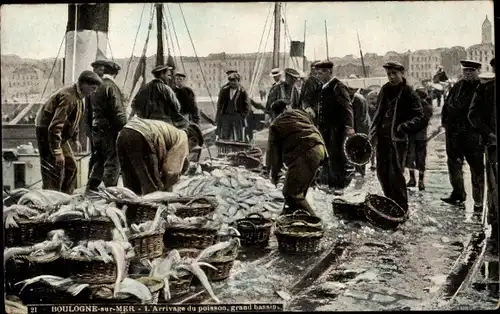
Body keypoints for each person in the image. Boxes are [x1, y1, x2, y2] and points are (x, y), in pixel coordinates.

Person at [368, 61, 424, 212]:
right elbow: (378, 113)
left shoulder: (408, 92)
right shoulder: (385, 89)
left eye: (394, 73)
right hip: (382, 138)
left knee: (396, 175)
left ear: (402, 73)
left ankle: (401, 207)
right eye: (388, 74)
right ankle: (390, 202)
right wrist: (373, 132)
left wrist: (403, 127)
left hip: (398, 140)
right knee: (382, 173)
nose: (391, 77)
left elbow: (419, 116)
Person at [35, 70, 102, 194]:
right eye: (92, 88)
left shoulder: (78, 97)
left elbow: (73, 121)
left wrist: (75, 139)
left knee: (71, 167)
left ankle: (66, 197)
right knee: (54, 169)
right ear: (83, 84)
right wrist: (57, 152)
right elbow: (54, 127)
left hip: (59, 135)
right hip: (47, 132)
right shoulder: (68, 97)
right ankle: (51, 200)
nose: (94, 91)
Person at [266, 99, 328, 216]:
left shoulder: (275, 125)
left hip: (306, 153)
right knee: (299, 190)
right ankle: (296, 217)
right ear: (287, 107)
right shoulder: (300, 114)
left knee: (291, 194)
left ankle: (315, 223)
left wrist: (274, 176)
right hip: (320, 149)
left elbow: (274, 155)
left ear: (274, 113)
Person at [116, 117, 204, 195]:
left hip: (125, 132)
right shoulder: (183, 138)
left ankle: (131, 212)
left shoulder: (174, 133)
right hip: (143, 136)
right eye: (193, 147)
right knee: (152, 186)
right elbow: (171, 171)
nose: (190, 150)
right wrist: (166, 191)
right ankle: (152, 212)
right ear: (193, 140)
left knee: (131, 184)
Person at [441, 60, 484, 210]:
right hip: (454, 134)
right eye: (465, 70)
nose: (468, 73)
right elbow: (447, 104)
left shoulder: (482, 87)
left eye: (471, 70)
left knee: (476, 167)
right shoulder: (458, 86)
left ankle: (478, 201)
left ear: (478, 71)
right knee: (453, 164)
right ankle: (458, 194)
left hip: (472, 134)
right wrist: (445, 123)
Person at [468, 57, 497, 253]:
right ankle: (495, 230)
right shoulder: (485, 90)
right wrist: (489, 133)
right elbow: (474, 115)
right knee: (495, 189)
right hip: (494, 145)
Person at [86, 61, 127, 192]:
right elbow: (118, 111)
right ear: (115, 73)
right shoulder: (111, 87)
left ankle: (91, 188)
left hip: (97, 129)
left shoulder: (95, 87)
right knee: (113, 161)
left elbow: (88, 111)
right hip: (111, 131)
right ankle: (110, 192)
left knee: (99, 160)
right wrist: (124, 128)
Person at [316, 60, 355, 193]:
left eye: (321, 73)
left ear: (329, 72)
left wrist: (349, 127)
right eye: (318, 73)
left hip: (336, 128)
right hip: (327, 128)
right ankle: (331, 184)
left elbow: (347, 107)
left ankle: (339, 186)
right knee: (328, 155)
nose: (318, 76)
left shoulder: (337, 86)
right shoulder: (325, 86)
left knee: (336, 156)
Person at [405, 87, 433, 191]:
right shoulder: (428, 108)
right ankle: (421, 181)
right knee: (421, 158)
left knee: (410, 157)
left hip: (412, 136)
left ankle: (412, 180)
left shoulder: (413, 107)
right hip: (422, 137)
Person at [85, 59, 108, 180]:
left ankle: (94, 179)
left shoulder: (103, 85)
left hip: (100, 127)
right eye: (100, 70)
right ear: (94, 70)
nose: (102, 73)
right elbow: (87, 109)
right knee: (96, 155)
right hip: (95, 127)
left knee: (99, 155)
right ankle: (91, 179)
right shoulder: (92, 86)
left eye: (103, 70)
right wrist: (88, 127)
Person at [215, 73, 250, 142]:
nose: (233, 82)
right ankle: (225, 151)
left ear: (238, 81)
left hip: (237, 117)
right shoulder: (224, 91)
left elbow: (247, 106)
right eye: (231, 81)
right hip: (226, 117)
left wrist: (242, 116)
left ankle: (238, 151)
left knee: (238, 136)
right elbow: (219, 105)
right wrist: (220, 116)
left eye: (234, 81)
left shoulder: (242, 92)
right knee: (225, 136)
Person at [349, 88, 370, 176]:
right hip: (363, 125)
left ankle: (360, 170)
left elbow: (357, 115)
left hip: (360, 126)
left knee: (359, 148)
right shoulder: (359, 97)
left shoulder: (356, 99)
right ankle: (359, 169)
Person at [299, 61, 323, 125]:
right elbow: (305, 99)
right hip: (313, 112)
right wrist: (309, 109)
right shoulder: (310, 81)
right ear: (312, 69)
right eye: (317, 69)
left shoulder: (319, 81)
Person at [366, 90, 379, 170]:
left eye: (373, 98)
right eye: (369, 98)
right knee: (372, 146)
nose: (371, 100)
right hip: (372, 129)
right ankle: (373, 163)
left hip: (379, 128)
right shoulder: (368, 107)